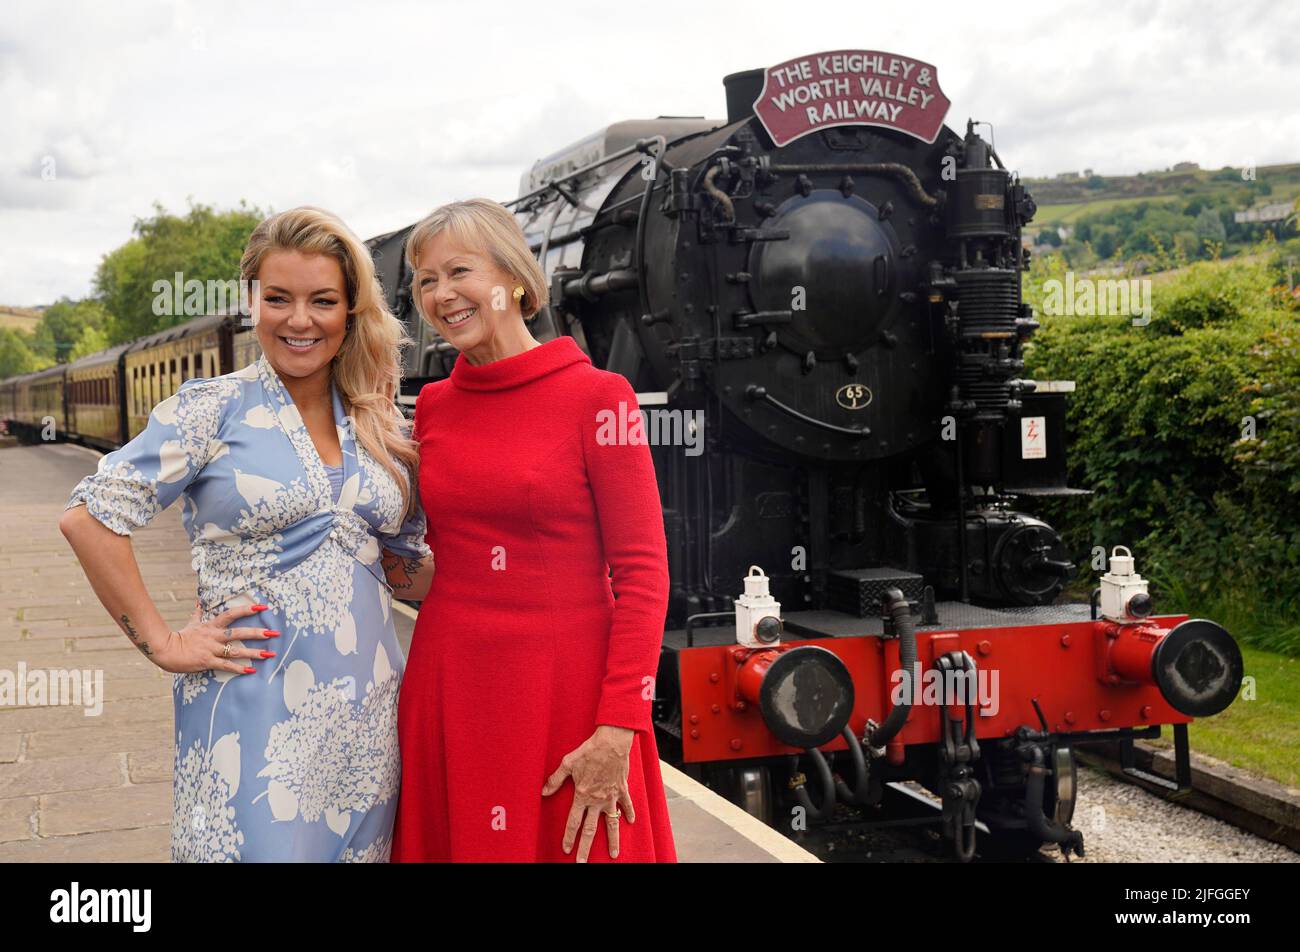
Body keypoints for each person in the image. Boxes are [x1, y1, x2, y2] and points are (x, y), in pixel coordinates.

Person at [59, 206, 430, 862]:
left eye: (322, 300)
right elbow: (90, 519)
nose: (299, 320)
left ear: (350, 310)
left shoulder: (379, 423)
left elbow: (404, 569)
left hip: (369, 724)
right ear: (250, 302)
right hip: (252, 717)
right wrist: (164, 643)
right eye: (278, 298)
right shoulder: (211, 409)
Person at [385, 198, 677, 862]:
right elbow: (425, 560)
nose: (441, 295)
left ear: (513, 277)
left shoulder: (600, 399)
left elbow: (644, 574)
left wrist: (619, 728)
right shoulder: (432, 406)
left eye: (458, 271)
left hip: (566, 694)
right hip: (450, 684)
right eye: (425, 281)